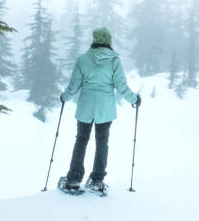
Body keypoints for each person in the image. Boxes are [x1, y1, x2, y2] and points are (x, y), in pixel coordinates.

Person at [60, 27, 140, 194]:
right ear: (109, 41)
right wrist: (135, 99)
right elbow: (121, 86)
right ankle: (97, 180)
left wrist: (64, 97)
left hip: (85, 108)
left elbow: (74, 86)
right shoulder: (114, 61)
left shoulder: (82, 60)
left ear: (94, 40)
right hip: (105, 109)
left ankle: (74, 179)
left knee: (81, 140)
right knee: (102, 143)